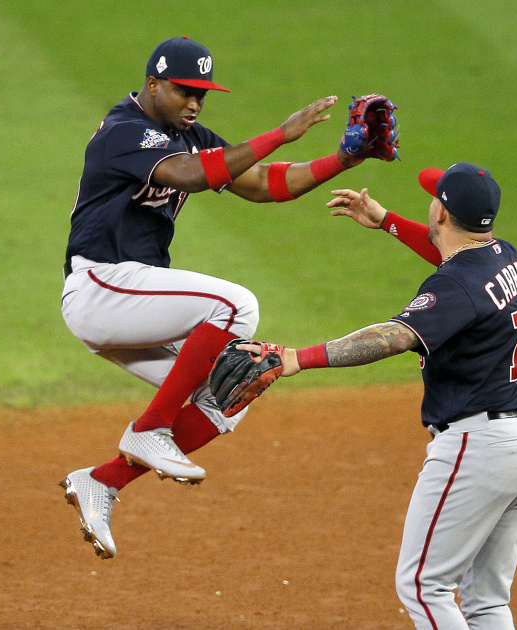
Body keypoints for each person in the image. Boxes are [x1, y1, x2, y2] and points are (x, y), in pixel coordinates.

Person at [58, 35, 381, 559]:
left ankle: (103, 480)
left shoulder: (189, 135)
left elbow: (262, 183)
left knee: (232, 392)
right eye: (184, 91)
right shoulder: (122, 132)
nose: (195, 103)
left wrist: (344, 158)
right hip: (100, 285)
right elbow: (190, 175)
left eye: (202, 94)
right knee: (235, 305)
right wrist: (281, 133)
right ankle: (149, 430)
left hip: (133, 301)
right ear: (153, 84)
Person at [235, 163, 517, 630]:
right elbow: (454, 265)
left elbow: (395, 336)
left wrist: (296, 358)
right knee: (486, 601)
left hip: (480, 450)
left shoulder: (456, 284)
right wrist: (385, 219)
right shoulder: (504, 255)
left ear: (441, 213)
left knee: (423, 586)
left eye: (433, 198)